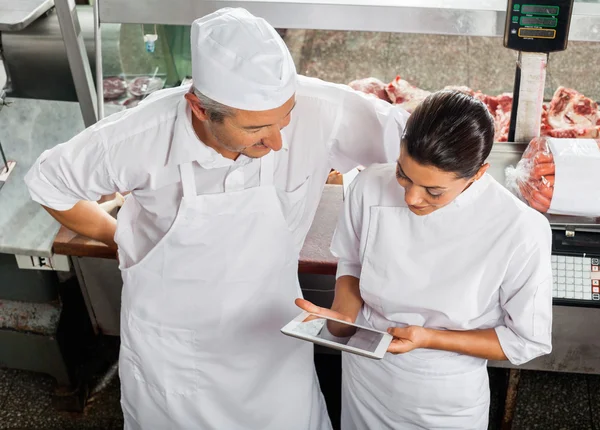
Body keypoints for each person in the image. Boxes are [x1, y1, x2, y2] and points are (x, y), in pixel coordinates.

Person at [24, 7, 409, 430]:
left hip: (273, 338)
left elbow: (422, 144)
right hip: (176, 349)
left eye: (286, 117)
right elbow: (48, 182)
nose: (279, 140)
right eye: (257, 129)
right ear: (200, 108)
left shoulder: (323, 108)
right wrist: (117, 236)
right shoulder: (142, 134)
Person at [297, 90, 553, 429]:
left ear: (478, 173)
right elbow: (353, 263)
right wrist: (340, 320)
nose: (412, 197)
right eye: (403, 174)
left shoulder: (520, 228)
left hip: (441, 398)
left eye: (434, 191)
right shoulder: (369, 183)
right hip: (364, 377)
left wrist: (429, 338)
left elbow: (525, 341)